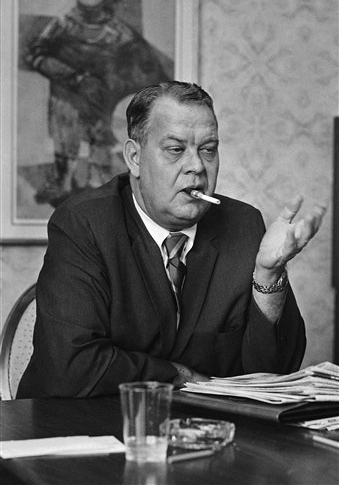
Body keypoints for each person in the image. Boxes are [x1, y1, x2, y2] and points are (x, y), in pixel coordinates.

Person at [17, 81, 326, 399]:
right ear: (134, 158)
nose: (196, 167)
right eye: (176, 150)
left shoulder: (243, 225)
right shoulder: (83, 224)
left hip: (198, 434)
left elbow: (276, 375)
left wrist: (268, 278)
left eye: (208, 150)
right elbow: (73, 368)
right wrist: (178, 375)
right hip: (74, 429)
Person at [25, 0, 171, 206]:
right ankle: (63, 183)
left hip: (103, 101)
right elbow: (36, 54)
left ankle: (100, 191)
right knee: (65, 138)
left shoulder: (118, 31)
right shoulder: (62, 25)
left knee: (101, 147)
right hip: (67, 98)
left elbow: (147, 66)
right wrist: (72, 76)